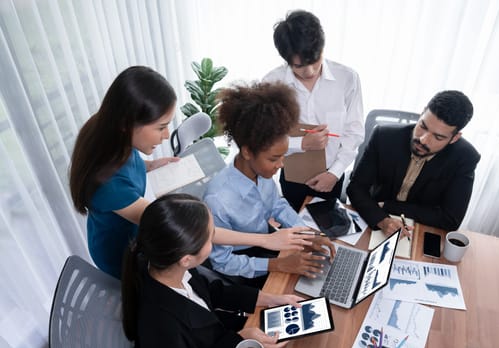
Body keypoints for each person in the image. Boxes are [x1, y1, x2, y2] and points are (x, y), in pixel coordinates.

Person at [69, 66, 317, 279]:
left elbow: (127, 162)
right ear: (127, 124)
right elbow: (184, 226)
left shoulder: (113, 133)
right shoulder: (109, 184)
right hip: (121, 251)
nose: (167, 135)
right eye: (161, 127)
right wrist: (265, 241)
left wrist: (148, 166)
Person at [121, 193, 302, 348]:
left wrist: (271, 298)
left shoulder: (174, 270)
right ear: (186, 259)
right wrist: (239, 340)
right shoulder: (163, 327)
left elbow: (214, 292)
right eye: (211, 237)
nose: (215, 240)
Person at [203, 81, 335, 287]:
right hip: (241, 269)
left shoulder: (261, 174)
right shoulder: (218, 200)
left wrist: (308, 236)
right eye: (274, 159)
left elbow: (277, 205)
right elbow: (222, 262)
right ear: (247, 152)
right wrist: (278, 264)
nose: (280, 165)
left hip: (267, 244)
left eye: (282, 157)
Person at [263, 9, 365, 212]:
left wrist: (334, 174)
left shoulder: (347, 79)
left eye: (314, 61)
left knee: (327, 234)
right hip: (291, 175)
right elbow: (265, 138)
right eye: (298, 66)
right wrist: (301, 143)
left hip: (331, 176)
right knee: (294, 233)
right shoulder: (271, 84)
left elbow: (354, 132)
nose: (309, 72)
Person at [347, 90, 481, 233]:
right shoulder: (384, 136)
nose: (423, 139)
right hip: (374, 216)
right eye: (423, 126)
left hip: (419, 226)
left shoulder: (465, 158)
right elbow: (356, 188)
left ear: (454, 138)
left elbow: (450, 219)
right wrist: (382, 220)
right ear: (422, 113)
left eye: (438, 137)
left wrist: (389, 206)